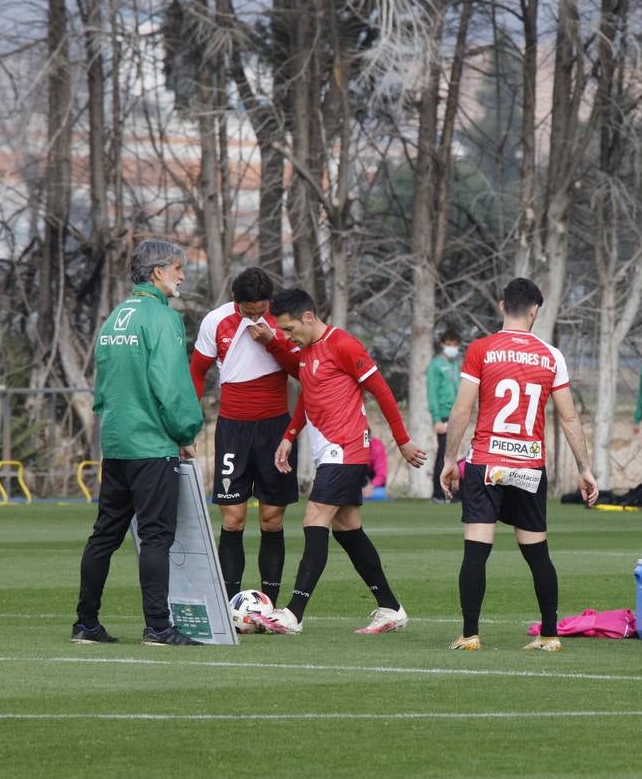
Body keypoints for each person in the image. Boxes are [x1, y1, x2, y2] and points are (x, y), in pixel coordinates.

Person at [252, 288, 428, 635]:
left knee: (315, 517)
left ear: (307, 317)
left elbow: (382, 390)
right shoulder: (306, 351)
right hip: (328, 452)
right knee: (348, 530)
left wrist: (403, 441)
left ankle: (294, 613)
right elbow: (308, 395)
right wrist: (289, 435)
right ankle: (391, 607)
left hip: (346, 449)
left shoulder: (344, 345)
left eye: (288, 329)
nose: (286, 336)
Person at [438, 278, 599, 652]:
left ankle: (470, 634)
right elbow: (569, 418)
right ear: (535, 311)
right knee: (537, 552)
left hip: (486, 463)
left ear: (500, 306)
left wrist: (449, 459)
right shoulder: (551, 356)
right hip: (528, 466)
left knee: (476, 550)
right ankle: (549, 635)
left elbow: (462, 408)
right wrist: (584, 468)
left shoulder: (481, 349)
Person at [72, 239, 205, 646]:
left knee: (104, 536)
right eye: (178, 268)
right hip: (151, 446)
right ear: (157, 272)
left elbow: (104, 385)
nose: (183, 276)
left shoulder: (115, 317)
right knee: (156, 537)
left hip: (115, 443)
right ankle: (158, 627)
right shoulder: (161, 319)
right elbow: (171, 385)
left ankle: (86, 624)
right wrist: (185, 432)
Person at [190, 266, 299, 605]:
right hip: (233, 430)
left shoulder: (282, 321)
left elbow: (301, 369)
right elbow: (197, 371)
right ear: (236, 302)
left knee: (271, 518)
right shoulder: (215, 321)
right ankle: (229, 603)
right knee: (233, 519)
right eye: (247, 312)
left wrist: (273, 343)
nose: (254, 317)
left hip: (274, 429)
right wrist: (190, 426)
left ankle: (269, 604)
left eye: (260, 311)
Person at [427, 329, 462, 503]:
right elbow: (432, 393)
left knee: (453, 453)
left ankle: (451, 491)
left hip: (457, 415)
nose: (452, 348)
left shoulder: (457, 364)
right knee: (444, 453)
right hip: (443, 414)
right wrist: (436, 419)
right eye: (449, 344)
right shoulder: (436, 365)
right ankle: (438, 493)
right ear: (442, 345)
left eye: (455, 345)